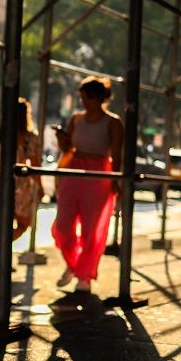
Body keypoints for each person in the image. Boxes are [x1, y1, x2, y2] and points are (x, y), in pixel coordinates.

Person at [52, 76, 123, 294]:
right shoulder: (76, 119)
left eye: (87, 97)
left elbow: (117, 154)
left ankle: (85, 275)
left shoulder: (113, 122)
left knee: (92, 229)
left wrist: (115, 180)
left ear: (100, 97)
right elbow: (68, 148)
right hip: (74, 169)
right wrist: (61, 138)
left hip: (98, 172)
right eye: (82, 98)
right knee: (62, 228)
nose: (84, 102)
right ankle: (74, 265)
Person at [0, 97, 43, 269]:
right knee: (23, 223)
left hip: (0, 183)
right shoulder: (29, 138)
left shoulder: (0, 135)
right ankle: (1, 249)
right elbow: (34, 165)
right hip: (21, 184)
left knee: (0, 222)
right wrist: (40, 187)